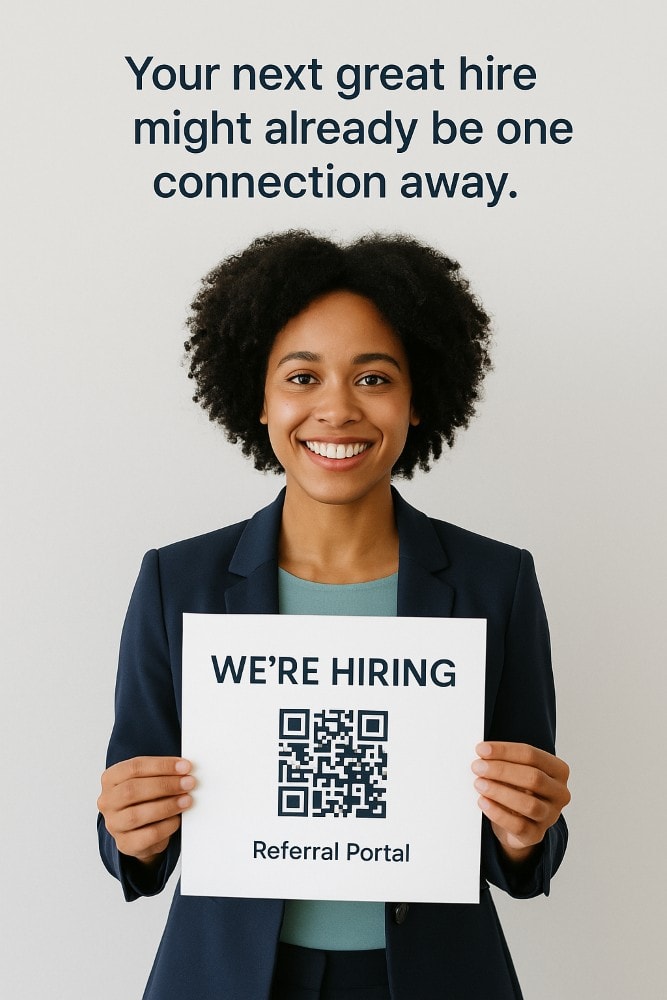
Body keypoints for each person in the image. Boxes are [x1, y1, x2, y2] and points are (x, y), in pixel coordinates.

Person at [97, 231, 570, 1000]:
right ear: (258, 395)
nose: (336, 409)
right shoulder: (174, 581)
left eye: (374, 377)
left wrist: (524, 835)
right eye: (302, 376)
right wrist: (130, 832)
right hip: (230, 978)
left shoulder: (497, 582)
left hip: (430, 978)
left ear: (418, 400)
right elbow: (133, 837)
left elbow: (523, 851)